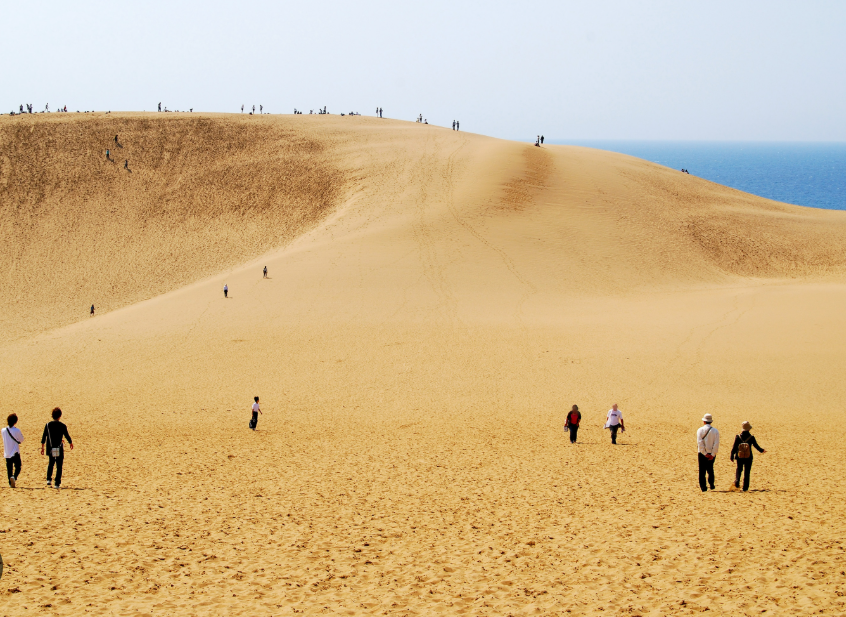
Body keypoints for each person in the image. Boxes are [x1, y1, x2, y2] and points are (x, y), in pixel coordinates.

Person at [41, 407, 73, 489]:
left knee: (51, 463)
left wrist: (42, 447)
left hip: (50, 447)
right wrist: (70, 442)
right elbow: (66, 435)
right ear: (60, 416)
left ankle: (48, 479)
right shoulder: (62, 426)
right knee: (59, 465)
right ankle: (57, 483)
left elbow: (44, 436)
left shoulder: (48, 425)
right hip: (59, 447)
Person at [730, 421, 766, 491]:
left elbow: (734, 447)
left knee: (739, 469)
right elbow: (756, 446)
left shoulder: (738, 437)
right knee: (747, 472)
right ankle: (745, 488)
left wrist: (732, 455)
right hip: (748, 457)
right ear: (749, 429)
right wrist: (762, 450)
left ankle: (737, 480)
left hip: (739, 457)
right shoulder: (751, 437)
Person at [697, 413, 720, 492]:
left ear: (704, 421)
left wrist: (704, 453)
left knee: (702, 470)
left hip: (702, 453)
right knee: (710, 469)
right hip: (711, 453)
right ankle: (711, 484)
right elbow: (716, 443)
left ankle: (703, 487)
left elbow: (700, 443)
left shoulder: (700, 430)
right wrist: (713, 454)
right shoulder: (715, 431)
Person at [3, 414, 24, 488]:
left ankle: (10, 483)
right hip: (15, 452)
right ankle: (14, 477)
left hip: (7, 452)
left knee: (9, 468)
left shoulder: (3, 430)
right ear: (15, 422)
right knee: (18, 467)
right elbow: (21, 440)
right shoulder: (17, 430)